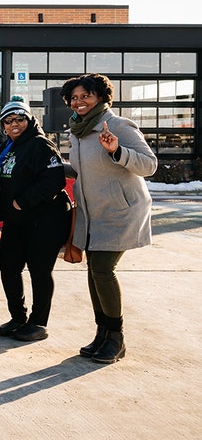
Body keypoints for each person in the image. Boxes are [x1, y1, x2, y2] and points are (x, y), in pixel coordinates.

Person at [61, 73, 157, 363]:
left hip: (120, 212)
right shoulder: (77, 131)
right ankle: (102, 333)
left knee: (103, 269)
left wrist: (117, 150)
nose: (79, 102)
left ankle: (116, 338)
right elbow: (84, 170)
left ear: (101, 97)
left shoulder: (118, 126)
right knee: (94, 271)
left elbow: (149, 165)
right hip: (92, 213)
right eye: (74, 97)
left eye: (86, 96)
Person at [0, 98, 70, 342]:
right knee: (8, 266)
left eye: (20, 119)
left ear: (30, 120)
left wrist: (23, 201)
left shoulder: (40, 144)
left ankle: (38, 323)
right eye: (8, 121)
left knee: (40, 271)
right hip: (16, 222)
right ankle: (18, 317)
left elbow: (54, 180)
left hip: (43, 221)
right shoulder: (8, 147)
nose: (14, 124)